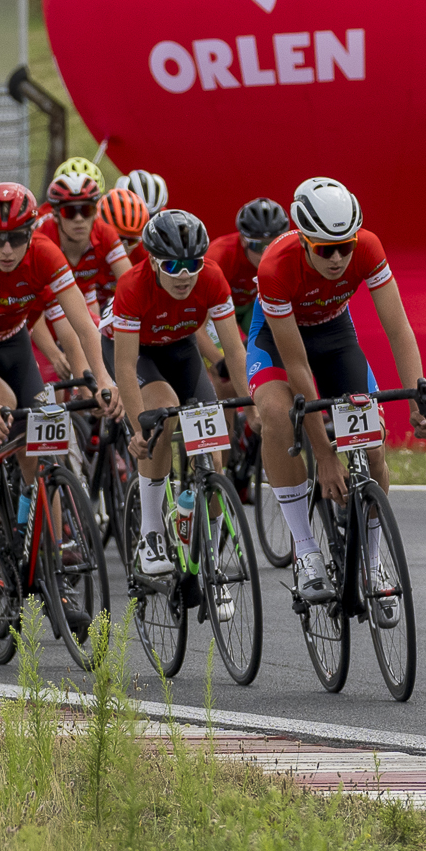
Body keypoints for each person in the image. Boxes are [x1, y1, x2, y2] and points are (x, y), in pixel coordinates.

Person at [246, 177, 426, 603]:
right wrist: (324, 453)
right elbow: (296, 367)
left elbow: (398, 329)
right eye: (324, 249)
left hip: (335, 337)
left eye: (344, 246)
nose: (337, 259)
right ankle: (306, 551)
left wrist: (418, 398)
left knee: (372, 445)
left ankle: (372, 559)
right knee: (278, 415)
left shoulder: (368, 247)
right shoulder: (275, 266)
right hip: (280, 344)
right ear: (304, 242)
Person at [0, 184, 115, 553]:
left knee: (42, 446)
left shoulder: (46, 254)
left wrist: (101, 380)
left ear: (32, 232)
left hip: (12, 344)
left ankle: (47, 557)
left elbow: (83, 325)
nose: (6, 249)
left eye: (17, 238)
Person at [108, 209, 251, 580]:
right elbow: (125, 366)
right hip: (137, 352)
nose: (185, 274)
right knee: (162, 414)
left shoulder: (212, 278)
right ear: (153, 261)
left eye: (193, 263)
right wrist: (139, 427)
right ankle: (151, 534)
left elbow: (235, 351)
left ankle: (212, 560)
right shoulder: (132, 287)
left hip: (180, 347)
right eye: (173, 266)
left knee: (214, 457)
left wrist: (254, 404)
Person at [36, 159, 132, 331]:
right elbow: (34, 308)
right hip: (42, 310)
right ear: (56, 215)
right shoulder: (42, 238)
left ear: (96, 212)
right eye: (70, 212)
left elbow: (131, 283)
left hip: (85, 300)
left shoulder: (104, 232)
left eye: (86, 210)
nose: (79, 219)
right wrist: (56, 355)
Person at [207, 197, 291, 336]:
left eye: (272, 244)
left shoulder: (288, 255)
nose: (266, 253)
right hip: (216, 309)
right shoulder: (218, 257)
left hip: (252, 308)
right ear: (242, 240)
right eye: (257, 246)